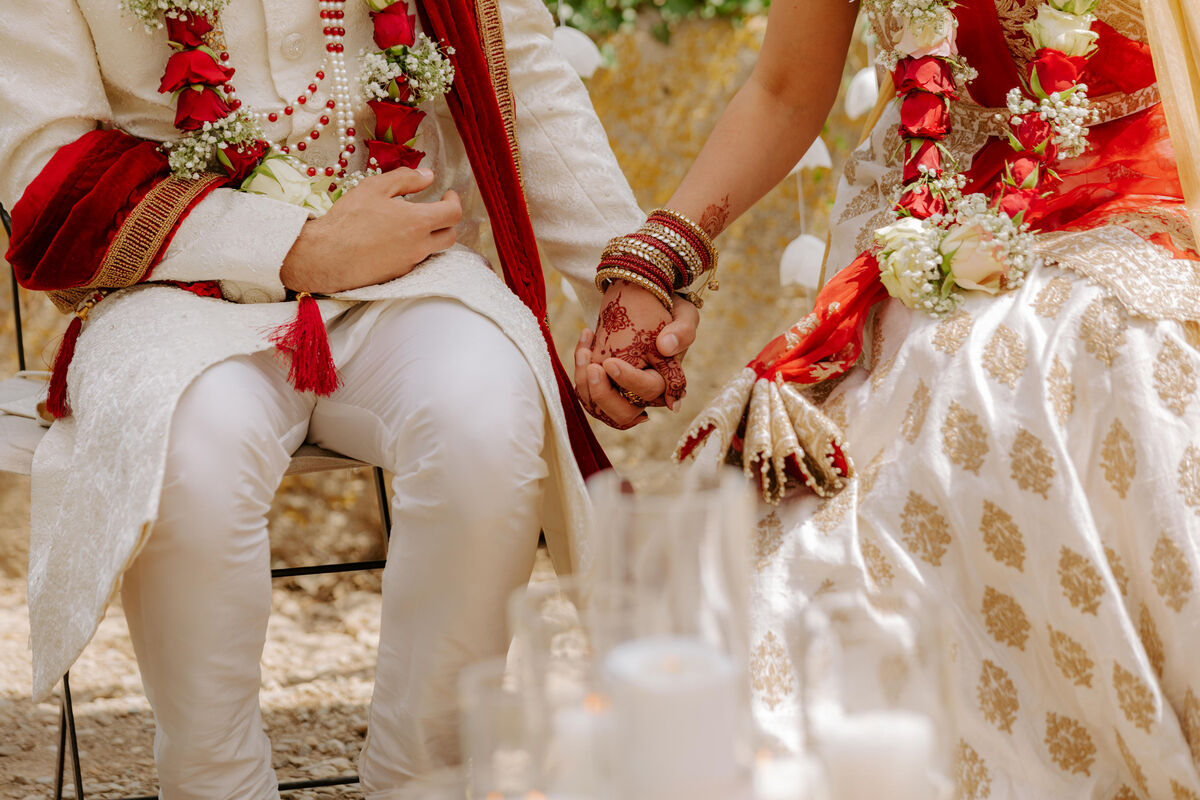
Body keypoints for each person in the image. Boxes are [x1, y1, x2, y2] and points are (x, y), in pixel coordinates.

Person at [0, 0, 700, 795]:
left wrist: (628, 275)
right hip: (173, 287)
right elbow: (45, 163)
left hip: (410, 263)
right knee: (191, 450)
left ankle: (427, 782)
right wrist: (293, 247)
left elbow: (520, 71)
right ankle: (213, 784)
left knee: (486, 422)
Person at [577, 0, 1200, 795]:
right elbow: (785, 87)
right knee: (940, 392)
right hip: (937, 218)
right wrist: (659, 257)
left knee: (1105, 355)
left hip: (1155, 193)